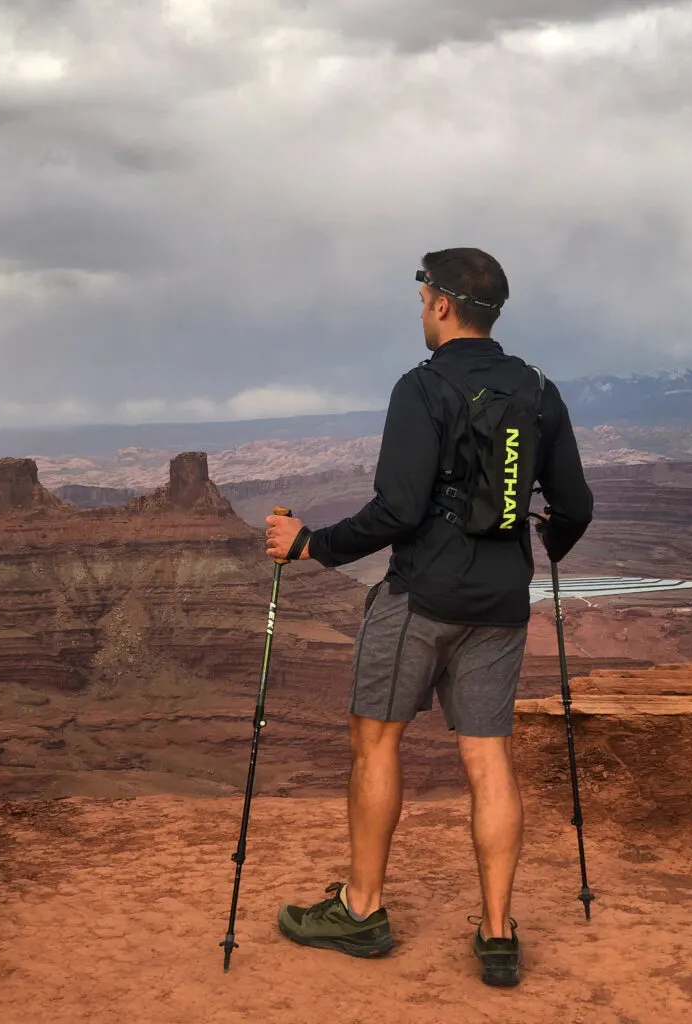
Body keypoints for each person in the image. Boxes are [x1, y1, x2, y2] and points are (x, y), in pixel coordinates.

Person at [265, 247, 594, 987]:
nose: (420, 310)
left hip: (420, 597)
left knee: (376, 742)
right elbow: (574, 504)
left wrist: (312, 544)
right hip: (502, 604)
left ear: (442, 304)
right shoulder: (539, 389)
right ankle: (497, 931)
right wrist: (549, 539)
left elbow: (398, 510)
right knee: (488, 758)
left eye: (421, 299)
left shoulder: (421, 387)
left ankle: (361, 910)